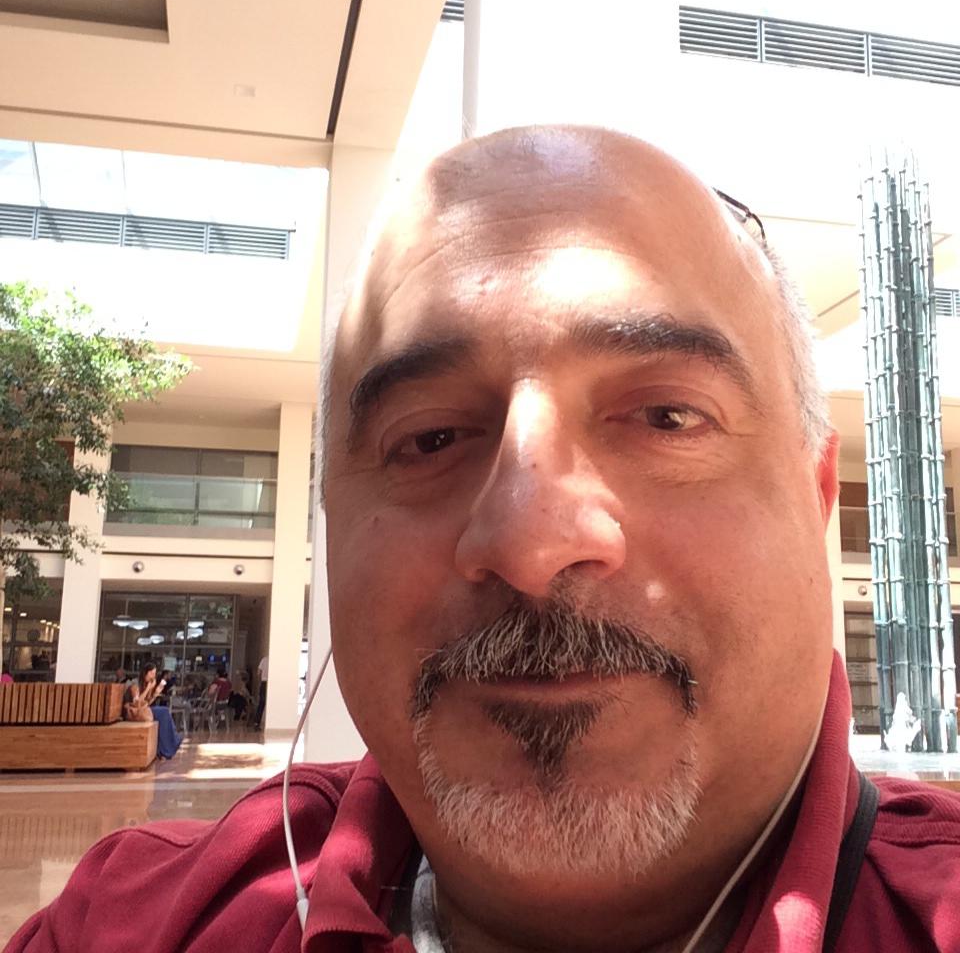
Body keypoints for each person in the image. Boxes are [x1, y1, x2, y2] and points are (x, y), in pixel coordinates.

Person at [6, 127, 960, 953]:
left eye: (667, 417)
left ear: (815, 495)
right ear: (332, 525)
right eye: (429, 439)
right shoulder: (130, 922)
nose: (531, 541)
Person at [123, 663, 182, 761]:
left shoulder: (147, 685)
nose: (153, 676)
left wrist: (155, 694)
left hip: (144, 711)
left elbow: (147, 703)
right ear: (146, 673)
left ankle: (166, 747)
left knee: (164, 712)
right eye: (152, 673)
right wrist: (148, 688)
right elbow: (137, 703)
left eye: (154, 674)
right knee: (163, 712)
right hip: (135, 713)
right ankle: (170, 745)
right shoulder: (135, 685)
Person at [252, 654, 268, 729]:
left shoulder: (264, 659)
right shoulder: (276, 661)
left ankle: (256, 722)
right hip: (272, 684)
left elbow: (258, 672)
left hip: (264, 683)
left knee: (261, 703)